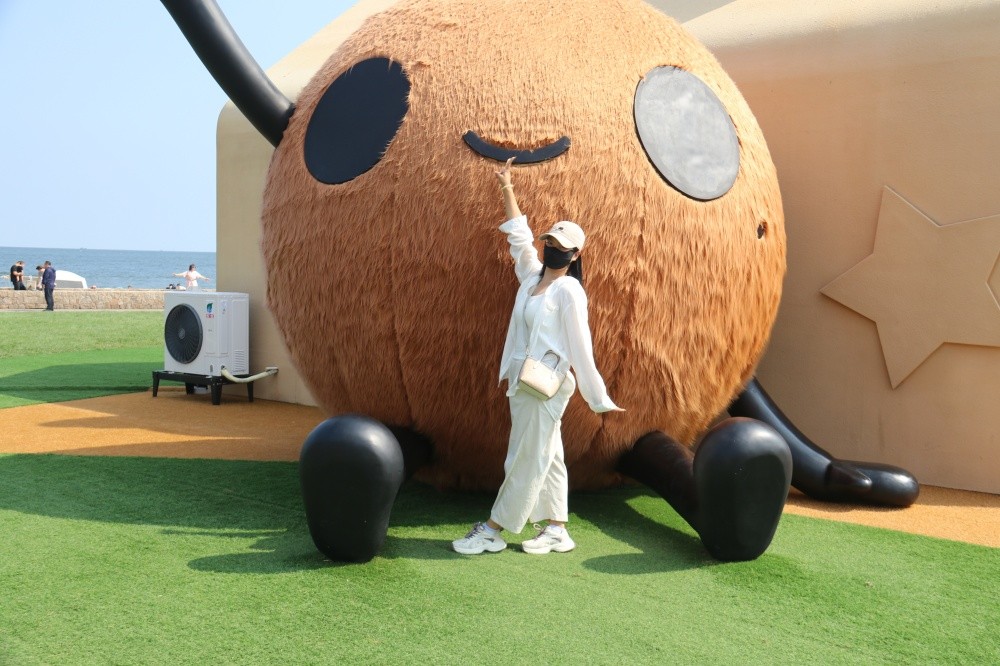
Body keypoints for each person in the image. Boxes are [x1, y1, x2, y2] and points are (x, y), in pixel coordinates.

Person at [452, 158, 623, 557]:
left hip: (547, 384)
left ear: (576, 255)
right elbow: (519, 236)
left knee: (526, 455)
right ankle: (557, 529)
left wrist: (597, 396)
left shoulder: (569, 291)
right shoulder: (531, 276)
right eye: (551, 243)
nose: (553, 250)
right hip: (524, 380)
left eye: (562, 248)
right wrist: (506, 187)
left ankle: (494, 529)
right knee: (548, 452)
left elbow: (581, 346)